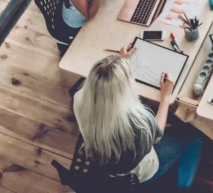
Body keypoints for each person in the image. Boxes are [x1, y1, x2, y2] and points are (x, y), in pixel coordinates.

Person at [73, 44, 203, 188]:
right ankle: (184, 185)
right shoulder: (136, 122)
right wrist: (165, 97)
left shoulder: (79, 98)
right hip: (140, 173)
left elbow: (105, 87)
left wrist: (119, 62)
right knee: (194, 134)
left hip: (104, 162)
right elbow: (157, 135)